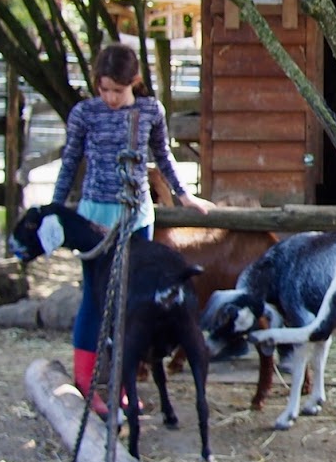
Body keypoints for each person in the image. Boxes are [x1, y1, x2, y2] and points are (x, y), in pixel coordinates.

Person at [50, 42, 214, 410]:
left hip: (136, 216)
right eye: (103, 88)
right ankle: (89, 385)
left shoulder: (150, 111)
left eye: (117, 90)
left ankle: (123, 384)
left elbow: (164, 155)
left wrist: (184, 194)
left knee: (131, 305)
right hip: (95, 216)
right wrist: (56, 207)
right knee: (95, 299)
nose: (109, 97)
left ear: (134, 82)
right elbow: (70, 161)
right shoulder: (84, 114)